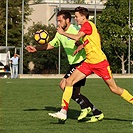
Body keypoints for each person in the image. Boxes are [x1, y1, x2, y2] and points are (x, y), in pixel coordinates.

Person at [48, 7, 133, 122]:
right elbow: (89, 40)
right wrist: (81, 46)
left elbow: (78, 37)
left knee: (114, 89)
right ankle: (63, 112)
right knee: (69, 82)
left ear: (83, 17)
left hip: (100, 63)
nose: (76, 18)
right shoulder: (85, 27)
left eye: (77, 16)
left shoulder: (87, 25)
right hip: (89, 62)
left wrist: (63, 33)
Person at [26, 10, 104, 122]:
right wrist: (36, 48)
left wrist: (81, 45)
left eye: (60, 21)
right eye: (57, 21)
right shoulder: (59, 34)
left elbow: (87, 40)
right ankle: (95, 111)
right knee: (75, 93)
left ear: (67, 20)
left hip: (82, 62)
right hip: (73, 64)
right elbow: (51, 45)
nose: (58, 23)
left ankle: (65, 111)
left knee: (64, 85)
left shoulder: (76, 29)